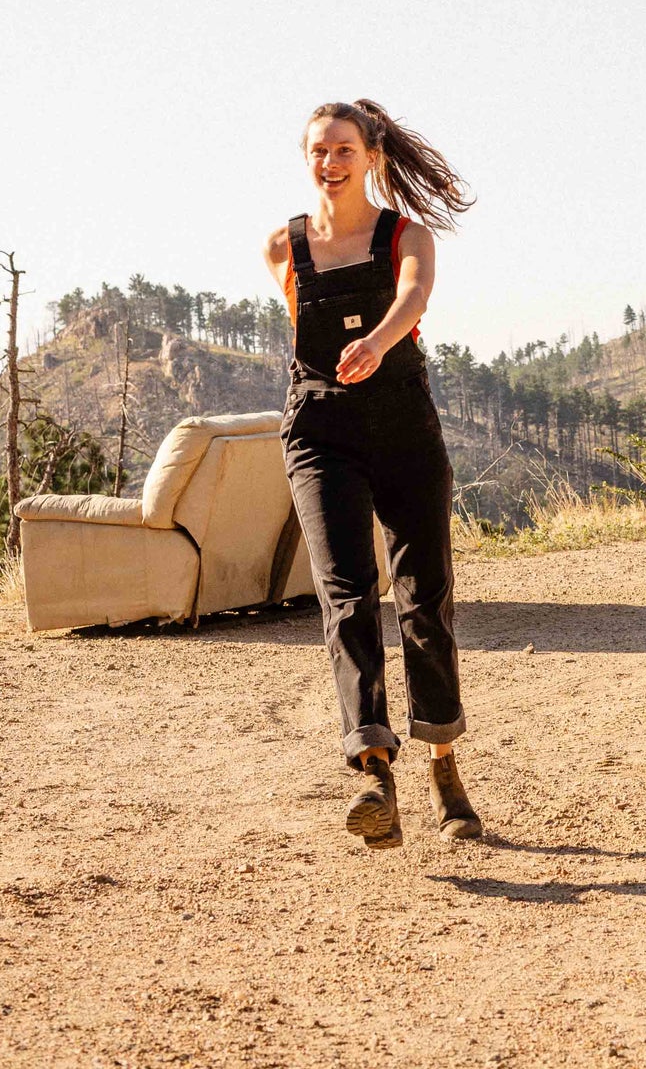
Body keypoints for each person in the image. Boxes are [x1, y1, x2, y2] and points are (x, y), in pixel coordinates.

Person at [264, 97, 482, 849]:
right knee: (346, 593)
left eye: (343, 149)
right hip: (320, 432)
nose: (329, 163)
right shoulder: (282, 247)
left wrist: (381, 341)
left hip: (402, 427)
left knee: (425, 597)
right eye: (318, 151)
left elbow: (414, 295)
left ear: (372, 154)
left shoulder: (405, 234)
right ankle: (373, 770)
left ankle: (445, 766)